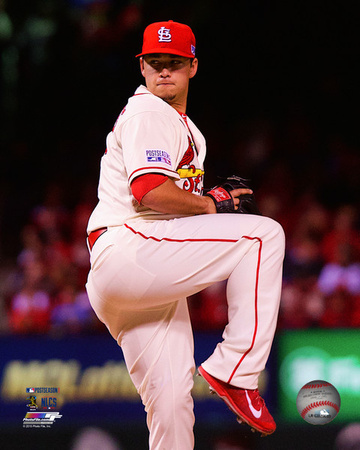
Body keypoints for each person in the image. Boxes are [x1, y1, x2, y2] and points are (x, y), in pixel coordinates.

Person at [85, 20, 285, 450]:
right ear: (141, 66)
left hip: (137, 273)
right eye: (154, 63)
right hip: (130, 248)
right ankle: (236, 370)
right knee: (263, 236)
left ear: (192, 66)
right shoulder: (148, 111)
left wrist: (205, 206)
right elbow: (149, 191)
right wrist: (212, 206)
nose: (163, 72)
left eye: (173, 63)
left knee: (173, 404)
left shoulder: (182, 125)